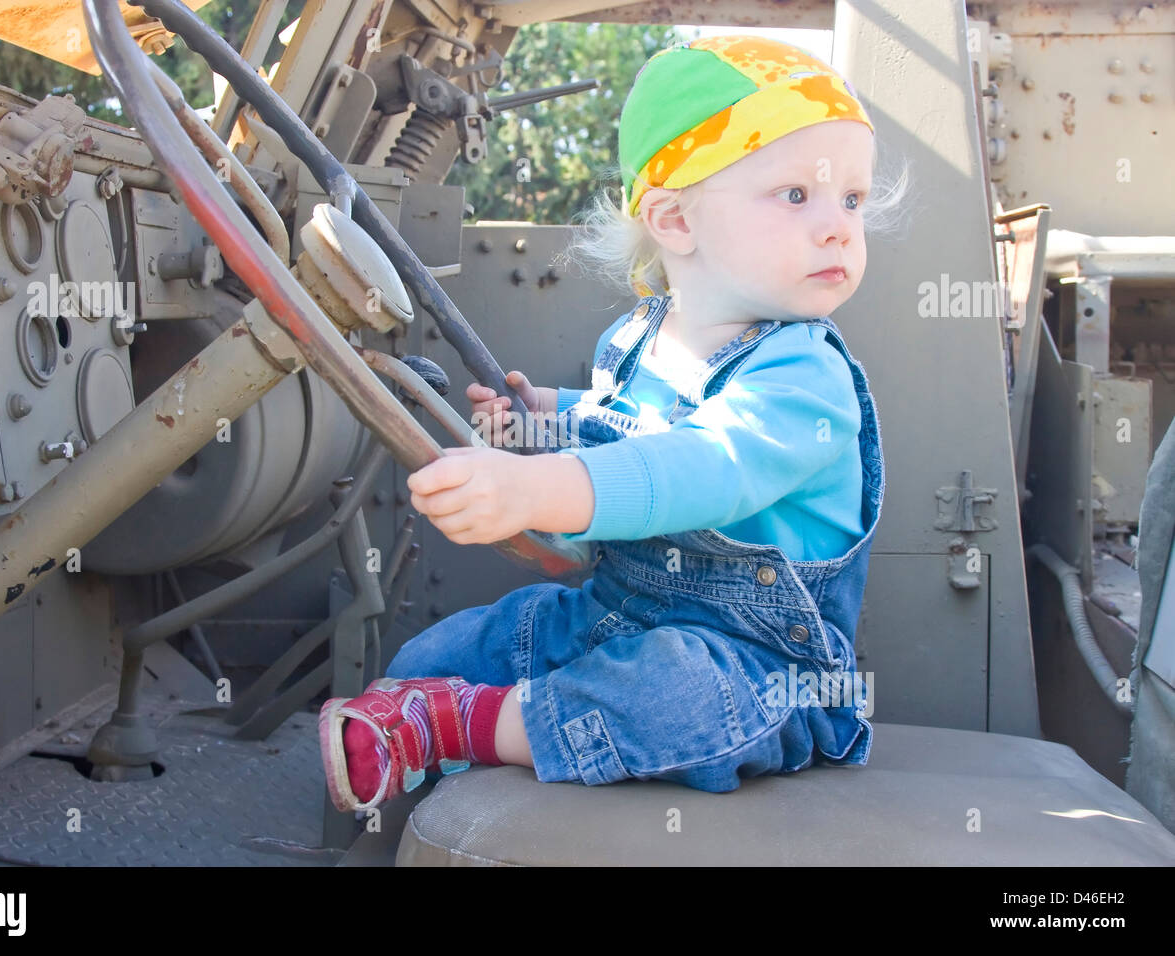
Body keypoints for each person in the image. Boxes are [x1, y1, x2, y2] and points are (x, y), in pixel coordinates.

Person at [319, 34, 905, 812]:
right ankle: (436, 727)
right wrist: (544, 422)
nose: (838, 227)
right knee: (441, 651)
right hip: (615, 612)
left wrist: (538, 488)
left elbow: (705, 465)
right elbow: (618, 425)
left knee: (674, 696)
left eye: (852, 201)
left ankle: (470, 727)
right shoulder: (637, 340)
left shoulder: (806, 375)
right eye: (797, 195)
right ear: (673, 219)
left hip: (758, 666)